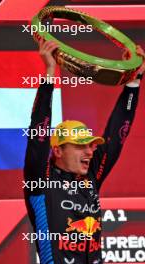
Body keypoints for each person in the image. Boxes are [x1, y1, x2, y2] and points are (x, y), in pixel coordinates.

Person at [24, 39, 145, 264]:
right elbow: (38, 134)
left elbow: (118, 133)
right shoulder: (40, 179)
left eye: (90, 145)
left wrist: (134, 81)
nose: (89, 151)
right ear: (58, 151)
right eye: (80, 145)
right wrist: (50, 72)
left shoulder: (91, 176)